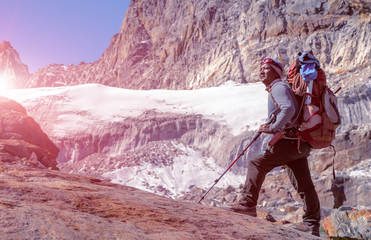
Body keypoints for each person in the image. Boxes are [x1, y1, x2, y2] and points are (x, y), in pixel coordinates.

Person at [229, 58, 321, 237]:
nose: (262, 71)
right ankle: (312, 224)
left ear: (277, 73)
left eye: (267, 68)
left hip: (288, 142)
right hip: (299, 144)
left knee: (257, 163)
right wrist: (273, 124)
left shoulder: (278, 87)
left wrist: (272, 127)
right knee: (305, 185)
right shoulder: (281, 88)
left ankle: (247, 205)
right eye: (261, 68)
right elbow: (288, 111)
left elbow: (288, 109)